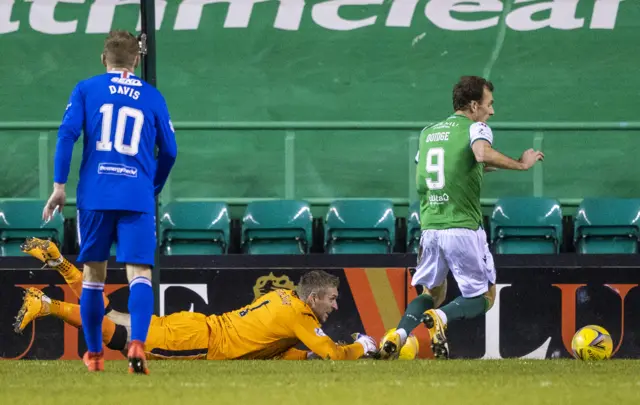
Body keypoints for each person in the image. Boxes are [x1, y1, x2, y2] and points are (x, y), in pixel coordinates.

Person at [376, 76, 544, 360]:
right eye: (489, 104)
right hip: (463, 227)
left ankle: (399, 334)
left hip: (430, 228)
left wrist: (489, 165)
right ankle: (440, 318)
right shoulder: (477, 128)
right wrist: (521, 164)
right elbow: (480, 153)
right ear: (475, 104)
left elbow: (450, 165)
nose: (492, 112)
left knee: (433, 291)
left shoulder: (428, 132)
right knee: (485, 298)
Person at [42, 30, 178, 373]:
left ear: (103, 59)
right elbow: (171, 151)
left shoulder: (87, 89)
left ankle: (95, 355)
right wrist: (153, 186)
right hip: (136, 195)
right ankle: (137, 343)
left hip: (96, 194)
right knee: (140, 275)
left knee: (92, 276)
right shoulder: (152, 95)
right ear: (137, 60)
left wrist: (59, 186)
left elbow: (67, 135)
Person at [15, 238, 379, 361]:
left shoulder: (285, 297)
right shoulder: (301, 317)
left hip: (198, 326)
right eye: (331, 299)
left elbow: (274, 347)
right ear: (312, 297)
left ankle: (59, 262)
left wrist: (307, 353)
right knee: (119, 337)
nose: (335, 306)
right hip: (200, 341)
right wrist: (362, 346)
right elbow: (335, 353)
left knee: (113, 315)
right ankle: (47, 305)